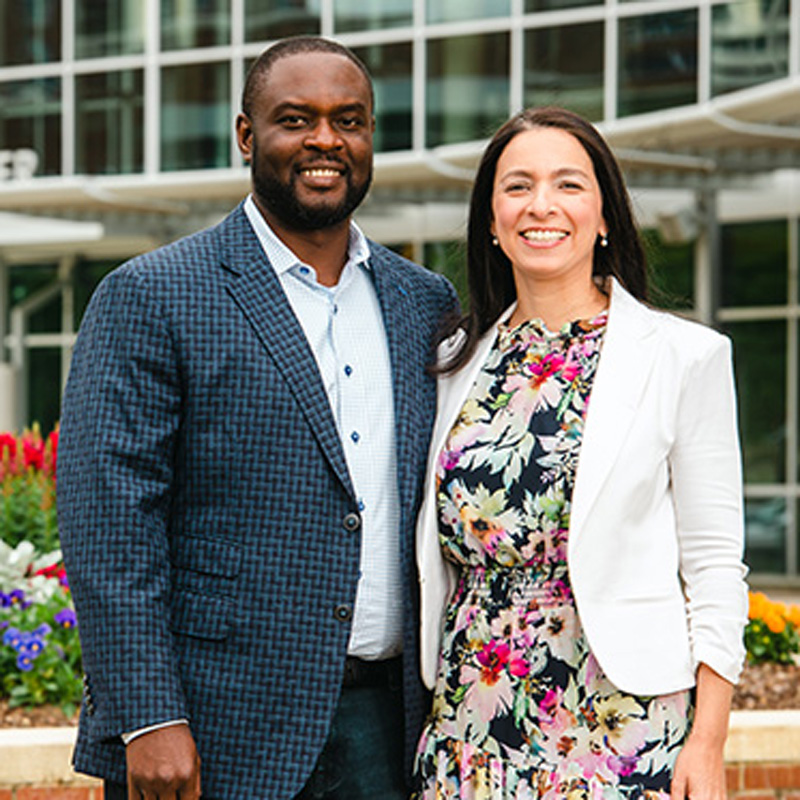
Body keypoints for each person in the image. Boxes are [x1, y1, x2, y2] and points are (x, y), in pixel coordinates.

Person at [57, 36, 457, 800]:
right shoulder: (154, 295)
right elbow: (108, 522)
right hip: (212, 727)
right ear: (247, 135)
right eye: (295, 119)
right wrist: (147, 716)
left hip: (389, 723)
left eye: (350, 120)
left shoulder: (423, 302)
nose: (325, 142)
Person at [413, 106, 748, 800]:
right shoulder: (453, 360)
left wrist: (708, 744)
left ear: (604, 217)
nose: (541, 206)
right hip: (472, 716)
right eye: (517, 187)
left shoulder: (684, 357)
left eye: (568, 185)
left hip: (619, 721)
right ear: (491, 222)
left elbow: (716, 566)